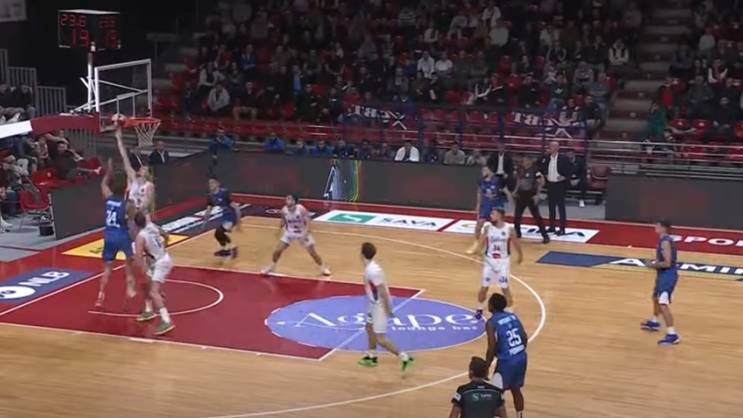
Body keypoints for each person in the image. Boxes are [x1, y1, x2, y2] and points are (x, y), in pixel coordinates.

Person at [356, 242, 414, 372]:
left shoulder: (372, 271)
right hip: (374, 304)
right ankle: (371, 356)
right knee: (369, 327)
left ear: (361, 254)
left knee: (380, 339)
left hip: (379, 306)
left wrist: (388, 309)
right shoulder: (371, 267)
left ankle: (404, 357)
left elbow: (382, 291)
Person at [97, 158, 136, 307]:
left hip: (109, 236)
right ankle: (129, 290)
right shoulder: (127, 204)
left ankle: (100, 295)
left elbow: (103, 183)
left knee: (107, 269)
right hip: (122, 235)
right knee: (129, 266)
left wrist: (109, 170)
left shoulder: (108, 198)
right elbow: (131, 220)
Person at [261, 194, 331, 276]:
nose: (287, 200)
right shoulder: (284, 210)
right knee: (277, 251)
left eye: (289, 199)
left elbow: (308, 221)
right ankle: (272, 267)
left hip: (302, 232)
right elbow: (283, 221)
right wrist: (279, 230)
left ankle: (323, 268)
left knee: (313, 253)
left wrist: (305, 233)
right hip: (289, 232)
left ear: (294, 201)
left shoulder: (301, 209)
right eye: (287, 199)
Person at [485, 293, 528, 418]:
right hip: (521, 357)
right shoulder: (513, 317)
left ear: (492, 306)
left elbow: (491, 347)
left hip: (506, 361)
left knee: (495, 394)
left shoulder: (491, 322)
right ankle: (519, 415)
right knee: (516, 389)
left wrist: (487, 365)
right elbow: (524, 337)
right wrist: (518, 351)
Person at [475, 208, 523, 319]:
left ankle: (510, 311)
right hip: (489, 261)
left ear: (500, 216)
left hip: (503, 262)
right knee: (484, 287)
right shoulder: (487, 227)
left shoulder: (509, 228)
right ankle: (479, 308)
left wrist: (520, 255)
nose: (491, 216)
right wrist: (478, 251)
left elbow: (516, 243)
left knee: (505, 288)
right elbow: (482, 241)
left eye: (493, 214)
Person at [132, 212, 175, 336]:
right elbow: (166, 235)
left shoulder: (140, 237)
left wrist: (143, 270)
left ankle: (167, 320)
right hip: (162, 258)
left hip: (159, 263)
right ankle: (148, 310)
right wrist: (163, 247)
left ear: (135, 225)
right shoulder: (152, 226)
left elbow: (138, 258)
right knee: (145, 285)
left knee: (153, 292)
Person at [641, 219, 681, 346]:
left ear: (664, 228)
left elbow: (667, 263)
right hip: (662, 274)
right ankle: (654, 322)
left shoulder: (665, 242)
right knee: (655, 298)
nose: (655, 227)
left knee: (663, 303)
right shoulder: (662, 240)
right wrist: (655, 262)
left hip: (668, 276)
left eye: (657, 226)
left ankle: (672, 335)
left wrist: (652, 265)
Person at [115, 126, 155, 224]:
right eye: (142, 168)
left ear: (147, 173)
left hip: (141, 214)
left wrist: (136, 208)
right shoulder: (133, 177)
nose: (142, 169)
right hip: (131, 212)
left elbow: (146, 203)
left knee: (148, 228)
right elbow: (124, 157)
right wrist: (119, 139)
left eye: (144, 169)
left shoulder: (149, 185)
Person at [467, 165, 509, 255]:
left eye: (485, 170)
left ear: (491, 171)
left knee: (496, 226)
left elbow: (505, 191)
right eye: (482, 170)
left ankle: (495, 246)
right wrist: (478, 205)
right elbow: (479, 192)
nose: (483, 172)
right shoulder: (481, 180)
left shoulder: (497, 180)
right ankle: (476, 243)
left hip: (496, 203)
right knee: (479, 224)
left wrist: (509, 200)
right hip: (486, 204)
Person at [512, 156, 549, 244]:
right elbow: (519, 181)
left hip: (530, 195)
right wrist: (515, 191)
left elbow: (542, 181)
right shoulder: (521, 170)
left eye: (525, 160)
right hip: (521, 195)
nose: (523, 162)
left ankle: (545, 235)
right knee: (517, 216)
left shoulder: (535, 170)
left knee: (537, 217)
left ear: (530, 161)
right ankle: (518, 233)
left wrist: (537, 194)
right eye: (523, 160)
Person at [538, 141, 573, 235]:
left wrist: (565, 177)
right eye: (551, 146)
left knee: (561, 207)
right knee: (551, 207)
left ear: (558, 148)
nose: (552, 148)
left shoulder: (563, 158)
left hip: (559, 185)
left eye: (554, 146)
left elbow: (571, 169)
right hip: (550, 184)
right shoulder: (546, 158)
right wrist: (544, 174)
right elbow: (540, 166)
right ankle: (552, 226)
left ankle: (562, 228)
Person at [203, 177, 241, 258]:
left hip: (231, 216)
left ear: (218, 184)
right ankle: (225, 250)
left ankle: (233, 247)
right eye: (209, 183)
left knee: (219, 231)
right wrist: (205, 220)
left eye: (212, 183)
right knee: (217, 235)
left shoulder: (224, 193)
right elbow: (209, 209)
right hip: (224, 216)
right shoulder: (210, 196)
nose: (210, 185)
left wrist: (238, 223)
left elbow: (236, 208)